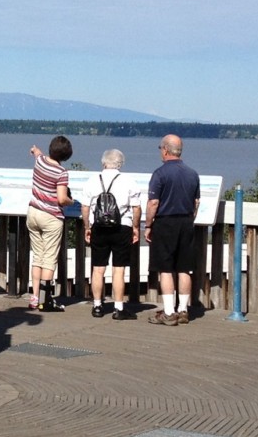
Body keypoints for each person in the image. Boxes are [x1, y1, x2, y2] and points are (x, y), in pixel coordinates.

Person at [143, 134, 201, 326]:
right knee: (185, 268)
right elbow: (196, 202)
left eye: (161, 148)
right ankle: (183, 310)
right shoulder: (192, 174)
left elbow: (153, 203)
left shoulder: (160, 174)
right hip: (186, 221)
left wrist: (148, 224)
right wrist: (190, 217)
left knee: (165, 269)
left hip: (165, 222)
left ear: (165, 150)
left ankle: (169, 312)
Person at [82, 148, 144, 321]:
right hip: (122, 227)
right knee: (118, 270)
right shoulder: (129, 181)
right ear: (120, 164)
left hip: (99, 228)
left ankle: (97, 306)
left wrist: (87, 227)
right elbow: (136, 207)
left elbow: (85, 208)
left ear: (103, 163)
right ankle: (118, 308)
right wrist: (136, 227)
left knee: (98, 269)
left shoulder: (93, 180)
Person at [26, 136, 73, 312]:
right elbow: (61, 198)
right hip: (51, 217)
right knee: (49, 259)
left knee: (37, 256)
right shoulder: (61, 172)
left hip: (33, 212)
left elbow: (37, 154)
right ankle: (45, 301)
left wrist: (35, 150)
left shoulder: (40, 162)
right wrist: (71, 201)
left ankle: (35, 297)